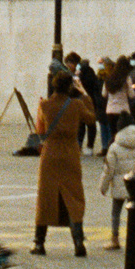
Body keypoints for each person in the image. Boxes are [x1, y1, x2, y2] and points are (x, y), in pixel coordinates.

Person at [32, 69, 97, 257]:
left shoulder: (44, 105)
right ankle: (78, 242)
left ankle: (39, 243)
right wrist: (84, 93)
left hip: (50, 154)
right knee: (74, 196)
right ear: (70, 86)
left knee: (45, 197)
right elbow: (92, 118)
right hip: (70, 153)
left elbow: (40, 130)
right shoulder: (76, 105)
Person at [99, 120, 135, 250]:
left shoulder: (114, 147)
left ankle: (115, 239)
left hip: (119, 185)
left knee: (116, 212)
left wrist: (103, 186)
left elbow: (108, 170)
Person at [101, 56, 133, 152]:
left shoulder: (109, 78)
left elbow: (103, 94)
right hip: (123, 110)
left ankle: (112, 151)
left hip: (110, 110)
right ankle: (122, 151)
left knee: (113, 132)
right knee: (122, 133)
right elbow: (132, 95)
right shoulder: (126, 79)